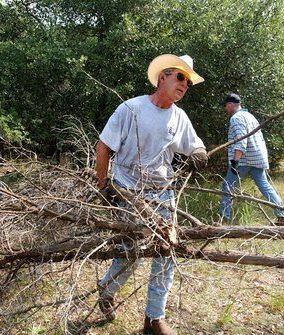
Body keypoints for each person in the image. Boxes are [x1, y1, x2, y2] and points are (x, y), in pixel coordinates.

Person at [95, 54, 208, 335]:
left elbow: (195, 146)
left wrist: (199, 155)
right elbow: (103, 146)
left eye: (188, 82)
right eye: (180, 77)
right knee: (129, 253)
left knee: (166, 251)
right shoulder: (130, 109)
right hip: (128, 192)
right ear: (163, 77)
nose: (184, 84)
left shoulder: (179, 117)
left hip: (162, 193)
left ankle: (154, 319)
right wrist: (104, 186)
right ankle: (107, 290)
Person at [218, 93, 284, 226]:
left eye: (225, 106)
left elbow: (241, 140)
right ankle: (281, 215)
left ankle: (223, 219)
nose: (225, 109)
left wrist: (234, 162)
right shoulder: (249, 116)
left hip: (244, 159)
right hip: (258, 157)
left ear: (231, 105)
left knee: (227, 187)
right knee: (264, 186)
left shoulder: (236, 118)